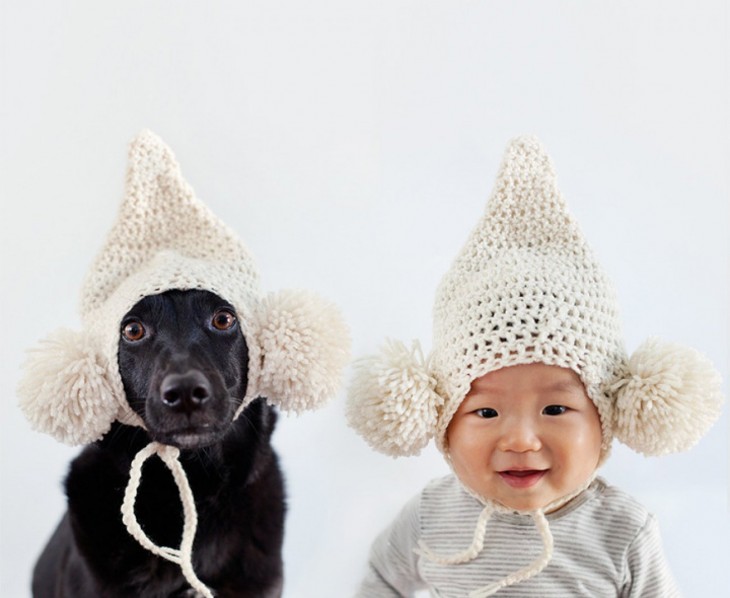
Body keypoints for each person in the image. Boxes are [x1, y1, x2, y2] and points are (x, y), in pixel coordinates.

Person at [346, 136, 724, 597]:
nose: (522, 441)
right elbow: (382, 580)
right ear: (439, 419)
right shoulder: (432, 515)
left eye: (555, 409)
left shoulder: (624, 531)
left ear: (609, 415)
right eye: (486, 412)